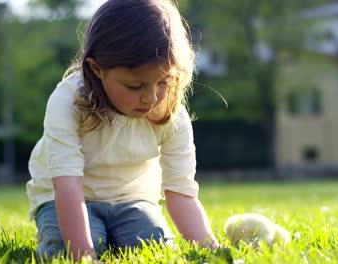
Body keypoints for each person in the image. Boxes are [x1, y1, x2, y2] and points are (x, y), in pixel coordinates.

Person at [26, 0, 220, 261]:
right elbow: (68, 184)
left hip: (132, 199)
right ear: (97, 69)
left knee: (156, 249)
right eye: (134, 86)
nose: (150, 98)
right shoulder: (67, 101)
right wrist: (85, 255)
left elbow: (181, 192)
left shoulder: (171, 113)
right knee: (69, 249)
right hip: (64, 196)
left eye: (163, 81)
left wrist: (214, 252)